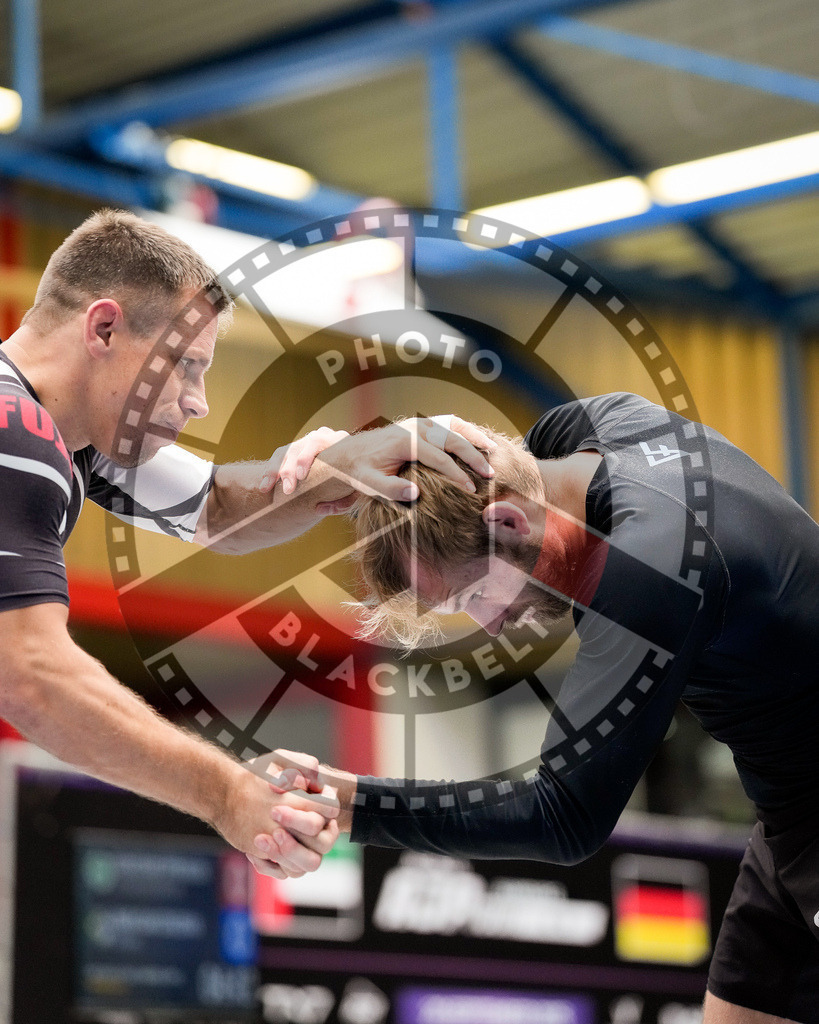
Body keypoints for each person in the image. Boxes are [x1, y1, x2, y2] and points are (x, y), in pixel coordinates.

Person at [266, 392, 819, 1023]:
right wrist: (351, 463)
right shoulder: (588, 431)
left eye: (473, 595)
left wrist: (347, 803)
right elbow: (471, 460)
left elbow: (564, 817)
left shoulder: (653, 566)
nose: (490, 625)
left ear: (507, 523)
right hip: (791, 814)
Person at [0, 208, 495, 882]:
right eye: (185, 365)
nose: (198, 401)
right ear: (105, 328)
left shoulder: (68, 434)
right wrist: (228, 794)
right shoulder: (16, 435)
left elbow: (217, 508)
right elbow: (32, 677)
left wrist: (340, 466)